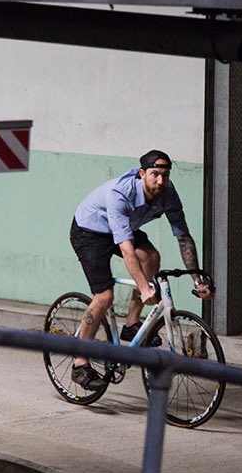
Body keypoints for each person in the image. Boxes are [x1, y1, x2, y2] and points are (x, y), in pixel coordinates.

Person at [68, 149, 214, 390]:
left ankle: (131, 324)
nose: (160, 181)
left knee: (151, 257)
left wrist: (197, 281)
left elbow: (183, 237)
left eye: (165, 175)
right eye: (155, 174)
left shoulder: (168, 192)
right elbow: (126, 249)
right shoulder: (120, 194)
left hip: (124, 227)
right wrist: (145, 287)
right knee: (104, 296)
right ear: (142, 174)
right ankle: (80, 362)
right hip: (90, 231)